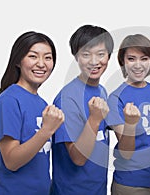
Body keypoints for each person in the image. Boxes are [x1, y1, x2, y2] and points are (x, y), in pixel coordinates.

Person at [0, 31, 64, 194]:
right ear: (18, 61)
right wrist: (46, 130)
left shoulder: (43, 104)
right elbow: (11, 161)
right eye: (33, 56)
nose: (42, 64)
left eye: (48, 57)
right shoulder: (8, 101)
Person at [106, 34, 150, 195]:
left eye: (144, 58)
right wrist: (130, 124)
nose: (138, 65)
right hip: (130, 184)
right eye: (131, 59)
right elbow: (126, 152)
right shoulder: (116, 97)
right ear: (122, 61)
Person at [50, 24, 114, 195]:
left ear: (109, 56)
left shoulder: (102, 91)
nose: (94, 61)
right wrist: (94, 119)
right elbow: (77, 158)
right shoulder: (67, 99)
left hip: (98, 189)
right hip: (71, 191)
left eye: (101, 54)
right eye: (86, 54)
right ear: (76, 56)